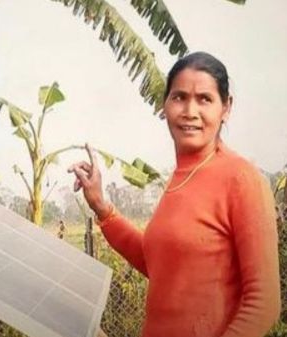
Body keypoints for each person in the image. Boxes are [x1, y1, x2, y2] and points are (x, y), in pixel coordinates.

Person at [68, 52, 281, 337]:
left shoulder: (242, 179)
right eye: (179, 97)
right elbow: (159, 266)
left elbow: (263, 303)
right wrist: (101, 206)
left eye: (204, 99)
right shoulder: (181, 177)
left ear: (226, 107)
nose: (190, 111)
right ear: (165, 105)